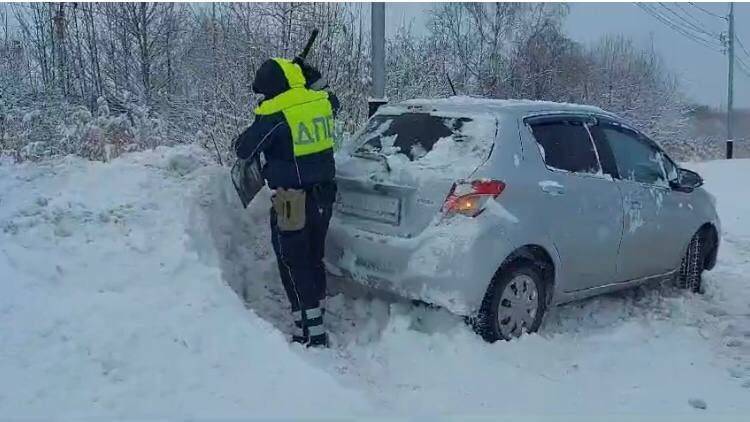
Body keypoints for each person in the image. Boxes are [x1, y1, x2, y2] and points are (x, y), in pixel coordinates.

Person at [234, 58, 337, 348]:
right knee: (314, 255)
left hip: (291, 199)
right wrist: (313, 76)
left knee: (292, 260)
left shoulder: (275, 113)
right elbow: (333, 98)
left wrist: (259, 118)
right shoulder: (322, 101)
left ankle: (311, 333)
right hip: (325, 194)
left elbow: (244, 149)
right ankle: (317, 315)